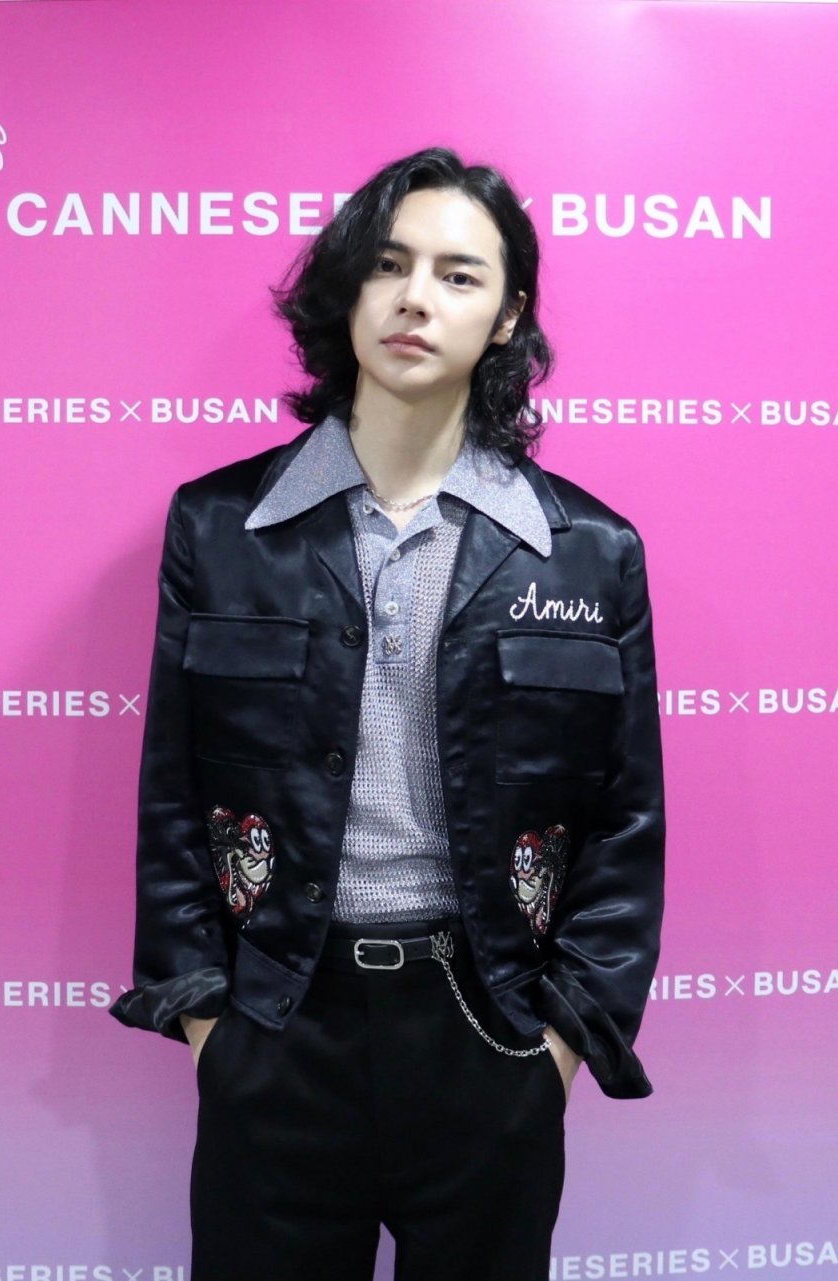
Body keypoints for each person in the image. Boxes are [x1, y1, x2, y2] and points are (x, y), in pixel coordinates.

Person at [110, 146, 665, 1281]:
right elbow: (175, 792)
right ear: (348, 291)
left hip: (488, 1026)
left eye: (459, 276)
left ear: (507, 317)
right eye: (389, 264)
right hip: (279, 1025)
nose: (417, 297)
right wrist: (211, 1026)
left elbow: (625, 823)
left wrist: (559, 1047)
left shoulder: (589, 552)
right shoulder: (222, 527)